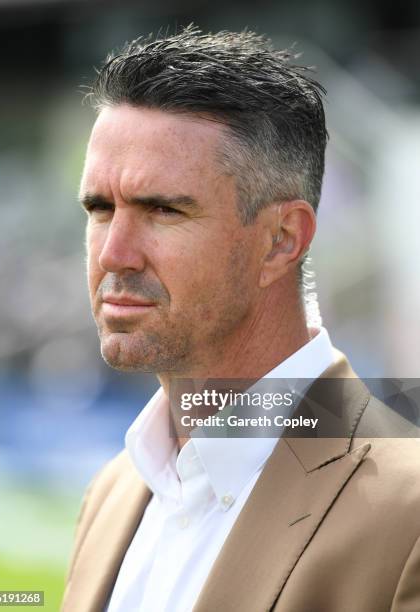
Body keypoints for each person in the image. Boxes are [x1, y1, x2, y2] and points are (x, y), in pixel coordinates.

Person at [61, 25, 420, 612]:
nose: (113, 254)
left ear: (281, 240)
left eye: (163, 210)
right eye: (100, 208)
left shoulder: (409, 515)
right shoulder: (113, 492)